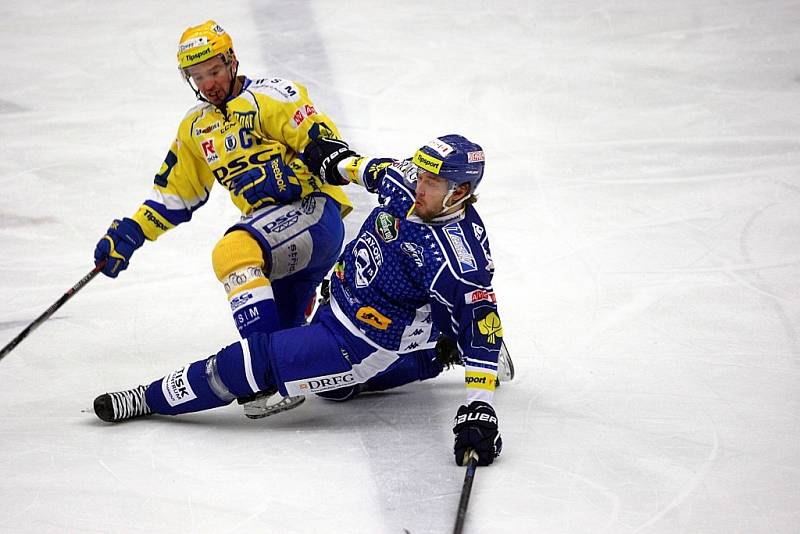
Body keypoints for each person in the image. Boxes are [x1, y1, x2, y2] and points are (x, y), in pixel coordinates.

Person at [94, 134, 509, 467]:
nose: (419, 185)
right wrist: (334, 159)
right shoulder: (409, 185)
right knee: (335, 394)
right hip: (337, 304)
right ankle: (437, 354)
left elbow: (484, 332)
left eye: (433, 182)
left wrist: (479, 407)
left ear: (461, 191)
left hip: (359, 344)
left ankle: (146, 398)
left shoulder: (459, 260)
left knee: (256, 363)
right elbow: (370, 170)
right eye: (421, 174)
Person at [92, 21, 353, 417]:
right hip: (276, 238)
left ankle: (262, 376)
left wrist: (320, 153)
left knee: (233, 252)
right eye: (196, 76)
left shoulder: (274, 96)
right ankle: (148, 399)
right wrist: (132, 232)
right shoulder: (196, 128)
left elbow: (322, 140)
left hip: (313, 213)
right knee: (288, 359)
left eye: (213, 70)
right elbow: (176, 194)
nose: (208, 83)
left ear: (232, 61)